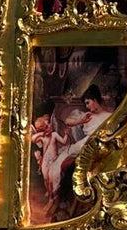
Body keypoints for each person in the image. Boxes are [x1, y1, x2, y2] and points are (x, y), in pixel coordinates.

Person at [32, 85, 111, 218]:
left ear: (95, 99)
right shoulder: (87, 115)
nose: (87, 106)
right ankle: (54, 199)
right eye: (85, 103)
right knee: (57, 164)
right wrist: (81, 120)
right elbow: (68, 122)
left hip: (97, 147)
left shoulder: (109, 116)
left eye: (88, 102)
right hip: (82, 145)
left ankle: (61, 202)